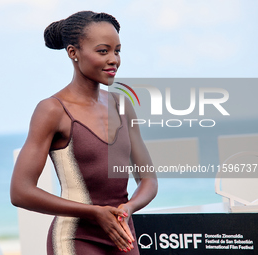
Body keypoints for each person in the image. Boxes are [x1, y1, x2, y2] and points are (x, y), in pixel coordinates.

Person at [10, 11, 158, 255]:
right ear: (73, 53)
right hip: (76, 239)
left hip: (123, 235)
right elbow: (21, 191)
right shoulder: (52, 110)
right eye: (103, 51)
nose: (114, 60)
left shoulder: (122, 105)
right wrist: (95, 212)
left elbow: (148, 179)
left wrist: (128, 209)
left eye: (117, 51)